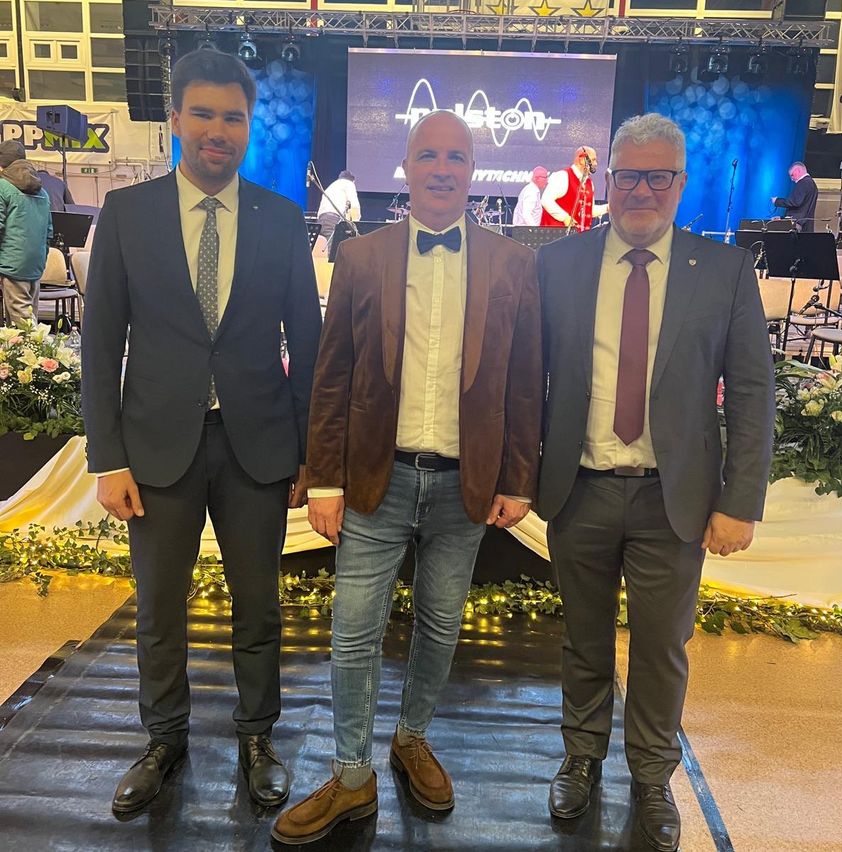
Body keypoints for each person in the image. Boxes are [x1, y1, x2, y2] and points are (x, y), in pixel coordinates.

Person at [271, 110, 542, 846]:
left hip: (466, 487)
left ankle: (412, 737)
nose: (443, 169)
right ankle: (352, 775)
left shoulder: (512, 263)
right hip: (373, 481)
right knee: (352, 632)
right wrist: (322, 479)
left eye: (457, 156)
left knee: (440, 623)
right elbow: (330, 380)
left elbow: (523, 384)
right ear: (408, 167)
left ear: (473, 169)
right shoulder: (361, 258)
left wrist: (519, 478)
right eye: (429, 155)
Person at [81, 49, 322, 814]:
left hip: (257, 449)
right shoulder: (126, 214)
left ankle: (257, 737)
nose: (220, 131)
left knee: (259, 606)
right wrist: (106, 455)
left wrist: (312, 452)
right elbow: (100, 344)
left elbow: (309, 349)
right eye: (206, 115)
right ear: (177, 118)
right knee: (158, 606)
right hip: (155, 449)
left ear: (249, 127)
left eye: (235, 118)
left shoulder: (283, 221)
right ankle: (164, 739)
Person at [537, 113, 774, 852]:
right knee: (582, 641)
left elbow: (754, 393)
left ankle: (650, 774)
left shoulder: (724, 271)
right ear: (607, 178)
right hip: (579, 490)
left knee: (662, 646)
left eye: (658, 176)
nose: (642, 189)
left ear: (680, 183)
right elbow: (523, 383)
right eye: (628, 174)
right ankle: (581, 757)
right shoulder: (560, 265)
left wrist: (740, 501)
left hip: (675, 499)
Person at [0, 141, 52, 326]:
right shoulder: (43, 192)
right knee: (27, 319)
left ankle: (42, 354)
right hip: (35, 264)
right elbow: (49, 232)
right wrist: (41, 259)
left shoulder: (2, 187)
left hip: (12, 263)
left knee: (25, 328)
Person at [541, 145, 609, 232]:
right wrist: (565, 218)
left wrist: (608, 208)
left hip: (578, 238)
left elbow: (589, 211)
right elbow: (546, 200)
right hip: (556, 236)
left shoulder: (589, 183)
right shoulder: (562, 176)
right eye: (593, 160)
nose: (595, 164)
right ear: (581, 160)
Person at [316, 169, 361, 243]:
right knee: (331, 249)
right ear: (352, 180)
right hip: (333, 219)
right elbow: (354, 206)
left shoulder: (332, 186)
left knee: (322, 247)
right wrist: (356, 226)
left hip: (321, 220)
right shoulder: (349, 184)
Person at [772, 161, 819, 232]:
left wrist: (777, 201)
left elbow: (795, 202)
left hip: (797, 226)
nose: (792, 179)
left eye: (792, 175)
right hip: (805, 226)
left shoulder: (803, 183)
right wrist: (782, 218)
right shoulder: (811, 183)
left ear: (798, 170)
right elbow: (802, 209)